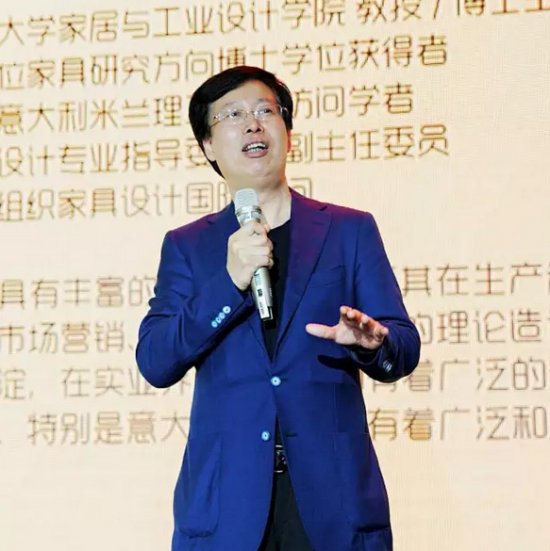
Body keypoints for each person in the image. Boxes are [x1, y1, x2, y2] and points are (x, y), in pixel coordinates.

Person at [136, 65, 421, 551]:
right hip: (228, 512)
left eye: (265, 111)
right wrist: (229, 283)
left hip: (333, 506)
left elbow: (403, 347)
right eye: (232, 115)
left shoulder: (349, 230)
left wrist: (374, 345)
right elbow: (156, 361)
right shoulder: (188, 246)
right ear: (208, 146)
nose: (253, 124)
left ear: (286, 131)